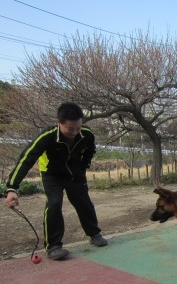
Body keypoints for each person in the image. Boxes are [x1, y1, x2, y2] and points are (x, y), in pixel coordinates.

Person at [5, 102, 108, 260]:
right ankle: (53, 246)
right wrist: (12, 188)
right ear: (59, 123)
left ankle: (94, 234)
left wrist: (83, 166)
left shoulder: (87, 134)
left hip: (74, 173)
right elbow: (26, 159)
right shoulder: (47, 136)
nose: (75, 132)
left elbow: (90, 149)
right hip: (51, 174)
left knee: (83, 202)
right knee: (54, 203)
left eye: (78, 128)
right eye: (70, 129)